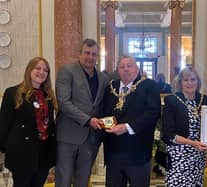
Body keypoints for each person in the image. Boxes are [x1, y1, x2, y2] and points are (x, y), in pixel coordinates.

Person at [55, 38, 108, 187]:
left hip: (91, 139)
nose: (90, 57)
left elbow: (102, 106)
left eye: (94, 54)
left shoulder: (103, 78)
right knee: (64, 179)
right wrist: (88, 120)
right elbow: (64, 102)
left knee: (83, 180)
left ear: (97, 57)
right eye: (87, 53)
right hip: (68, 136)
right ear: (79, 53)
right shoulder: (66, 71)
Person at [102, 54, 161, 187]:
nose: (126, 69)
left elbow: (153, 113)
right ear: (118, 70)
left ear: (137, 69)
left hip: (138, 154)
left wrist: (127, 127)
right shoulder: (110, 87)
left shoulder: (149, 86)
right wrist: (106, 126)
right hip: (114, 153)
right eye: (122, 66)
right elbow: (104, 112)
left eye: (129, 66)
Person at [0, 57, 57, 187]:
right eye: (38, 68)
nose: (41, 72)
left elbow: (50, 124)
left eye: (45, 70)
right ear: (29, 70)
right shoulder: (13, 93)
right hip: (22, 152)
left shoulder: (48, 95)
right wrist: (3, 148)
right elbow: (4, 123)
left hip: (43, 153)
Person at [162, 67, 207, 187]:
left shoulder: (205, 100)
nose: (190, 83)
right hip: (178, 155)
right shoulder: (172, 100)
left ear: (198, 81)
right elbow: (169, 134)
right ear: (180, 83)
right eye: (186, 80)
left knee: (196, 183)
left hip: (199, 154)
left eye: (193, 79)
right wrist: (193, 143)